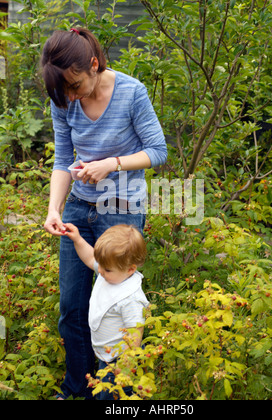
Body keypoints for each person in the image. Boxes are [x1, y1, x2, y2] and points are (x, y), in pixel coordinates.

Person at [41, 27, 167, 399]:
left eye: (75, 85)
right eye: (62, 91)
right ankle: (76, 388)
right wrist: (54, 208)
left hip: (122, 210)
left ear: (93, 64)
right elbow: (64, 159)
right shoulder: (62, 99)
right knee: (73, 306)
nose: (70, 96)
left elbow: (157, 151)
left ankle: (113, 394)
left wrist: (111, 164)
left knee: (117, 306)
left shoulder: (131, 92)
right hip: (79, 206)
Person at [64, 223, 149, 400]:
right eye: (100, 265)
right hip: (106, 355)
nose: (99, 271)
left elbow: (135, 333)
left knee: (111, 396)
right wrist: (78, 239)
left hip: (119, 361)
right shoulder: (112, 272)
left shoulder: (131, 298)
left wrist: (126, 364)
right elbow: (89, 258)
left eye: (105, 269)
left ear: (131, 269)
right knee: (103, 392)